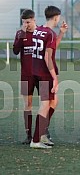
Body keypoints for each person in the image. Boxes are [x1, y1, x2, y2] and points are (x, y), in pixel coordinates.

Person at [30, 6, 68, 149]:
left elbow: (51, 49)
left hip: (36, 70)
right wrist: (55, 78)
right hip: (44, 73)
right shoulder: (49, 33)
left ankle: (42, 133)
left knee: (53, 102)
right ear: (56, 17)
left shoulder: (39, 30)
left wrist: (61, 33)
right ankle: (36, 140)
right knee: (45, 105)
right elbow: (48, 57)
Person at [13, 9, 37, 144]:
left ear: (34, 20)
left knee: (46, 104)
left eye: (28, 22)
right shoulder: (20, 33)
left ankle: (43, 132)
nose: (26, 25)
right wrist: (21, 34)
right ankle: (29, 135)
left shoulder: (40, 33)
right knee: (27, 105)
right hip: (26, 75)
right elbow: (16, 51)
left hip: (41, 75)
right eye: (24, 22)